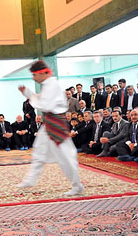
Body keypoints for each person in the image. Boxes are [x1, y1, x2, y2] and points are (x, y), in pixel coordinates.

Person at [16, 60, 84, 196]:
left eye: (34, 75)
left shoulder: (52, 85)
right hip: (50, 123)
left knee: (65, 157)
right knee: (39, 150)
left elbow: (45, 105)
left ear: (41, 73)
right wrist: (29, 94)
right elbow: (42, 101)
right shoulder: (48, 85)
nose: (33, 78)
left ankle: (77, 186)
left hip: (56, 124)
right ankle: (30, 179)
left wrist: (30, 95)